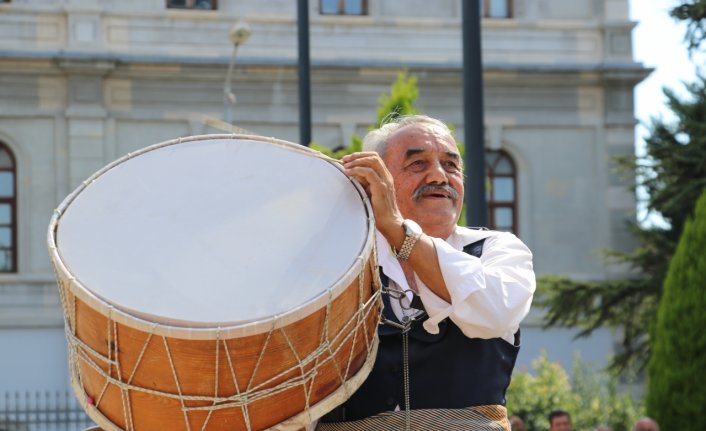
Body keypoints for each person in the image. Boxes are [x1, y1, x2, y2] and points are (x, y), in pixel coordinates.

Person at [316, 115, 536, 430]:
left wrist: (397, 229)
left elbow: (493, 311)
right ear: (377, 181)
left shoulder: (497, 250)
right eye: (417, 164)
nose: (438, 176)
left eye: (451, 165)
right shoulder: (341, 262)